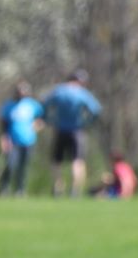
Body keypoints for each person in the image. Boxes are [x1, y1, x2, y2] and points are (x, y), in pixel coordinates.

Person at [42, 69, 103, 197]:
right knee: (78, 160)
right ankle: (75, 190)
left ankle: (58, 188)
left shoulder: (59, 91)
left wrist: (49, 120)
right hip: (77, 130)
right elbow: (96, 110)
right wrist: (87, 122)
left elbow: (44, 105)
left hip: (60, 129)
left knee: (57, 160)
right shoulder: (81, 93)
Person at [0, 81, 44, 196]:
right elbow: (3, 124)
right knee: (10, 164)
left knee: (23, 167)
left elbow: (41, 120)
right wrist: (4, 139)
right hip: (12, 141)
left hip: (28, 141)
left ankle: (20, 189)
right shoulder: (9, 105)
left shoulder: (33, 105)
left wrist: (36, 126)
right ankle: (4, 188)